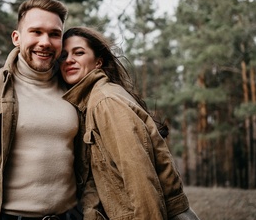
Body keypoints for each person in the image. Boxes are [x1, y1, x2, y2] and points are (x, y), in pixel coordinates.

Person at [0, 0, 84, 220]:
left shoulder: (77, 89)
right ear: (17, 37)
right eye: (36, 32)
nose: (45, 42)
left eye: (54, 34)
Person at [59, 26, 200, 220]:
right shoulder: (92, 101)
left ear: (98, 62)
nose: (69, 60)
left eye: (79, 53)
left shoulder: (105, 101)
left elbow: (140, 177)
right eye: (63, 55)